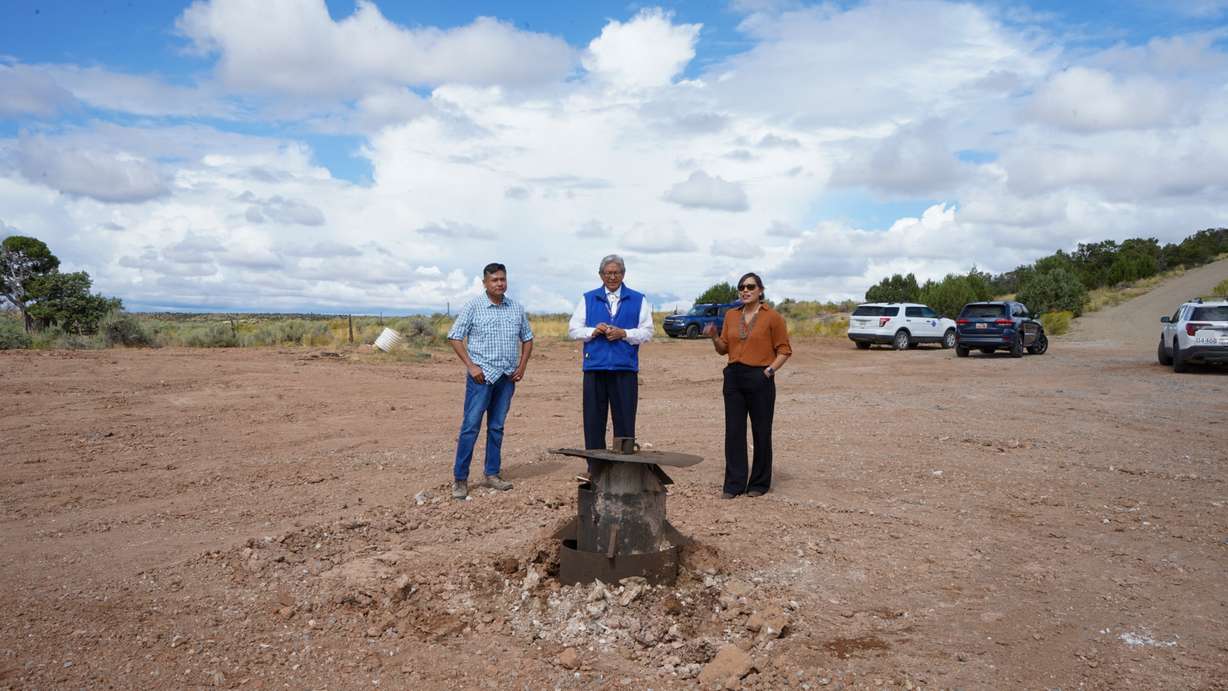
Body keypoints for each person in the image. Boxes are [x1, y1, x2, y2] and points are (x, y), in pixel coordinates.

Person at [446, 262, 534, 499]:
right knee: (471, 426)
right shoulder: (474, 306)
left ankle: (492, 473)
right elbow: (454, 337)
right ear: (485, 282)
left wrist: (522, 366)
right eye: (494, 280)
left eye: (502, 279)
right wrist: (471, 366)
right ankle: (460, 479)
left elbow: (527, 338)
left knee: (496, 427)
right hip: (481, 377)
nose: (499, 283)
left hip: (506, 377)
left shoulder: (516, 308)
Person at [703, 272, 791, 498]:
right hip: (734, 376)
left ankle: (759, 484)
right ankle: (734, 484)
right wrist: (714, 336)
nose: (745, 290)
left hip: (760, 377)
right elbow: (723, 349)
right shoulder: (731, 316)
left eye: (750, 286)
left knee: (761, 431)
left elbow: (784, 350)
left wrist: (769, 371)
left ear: (760, 290)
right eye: (741, 287)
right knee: (733, 431)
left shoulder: (773, 317)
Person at [568, 254, 654, 478]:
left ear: (623, 274)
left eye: (616, 273)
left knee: (625, 419)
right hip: (595, 368)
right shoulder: (588, 299)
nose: (612, 277)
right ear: (601, 275)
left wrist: (624, 333)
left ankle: (624, 470)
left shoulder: (638, 299)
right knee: (594, 421)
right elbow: (573, 329)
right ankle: (595, 469)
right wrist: (592, 331)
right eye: (608, 273)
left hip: (625, 369)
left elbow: (647, 332)